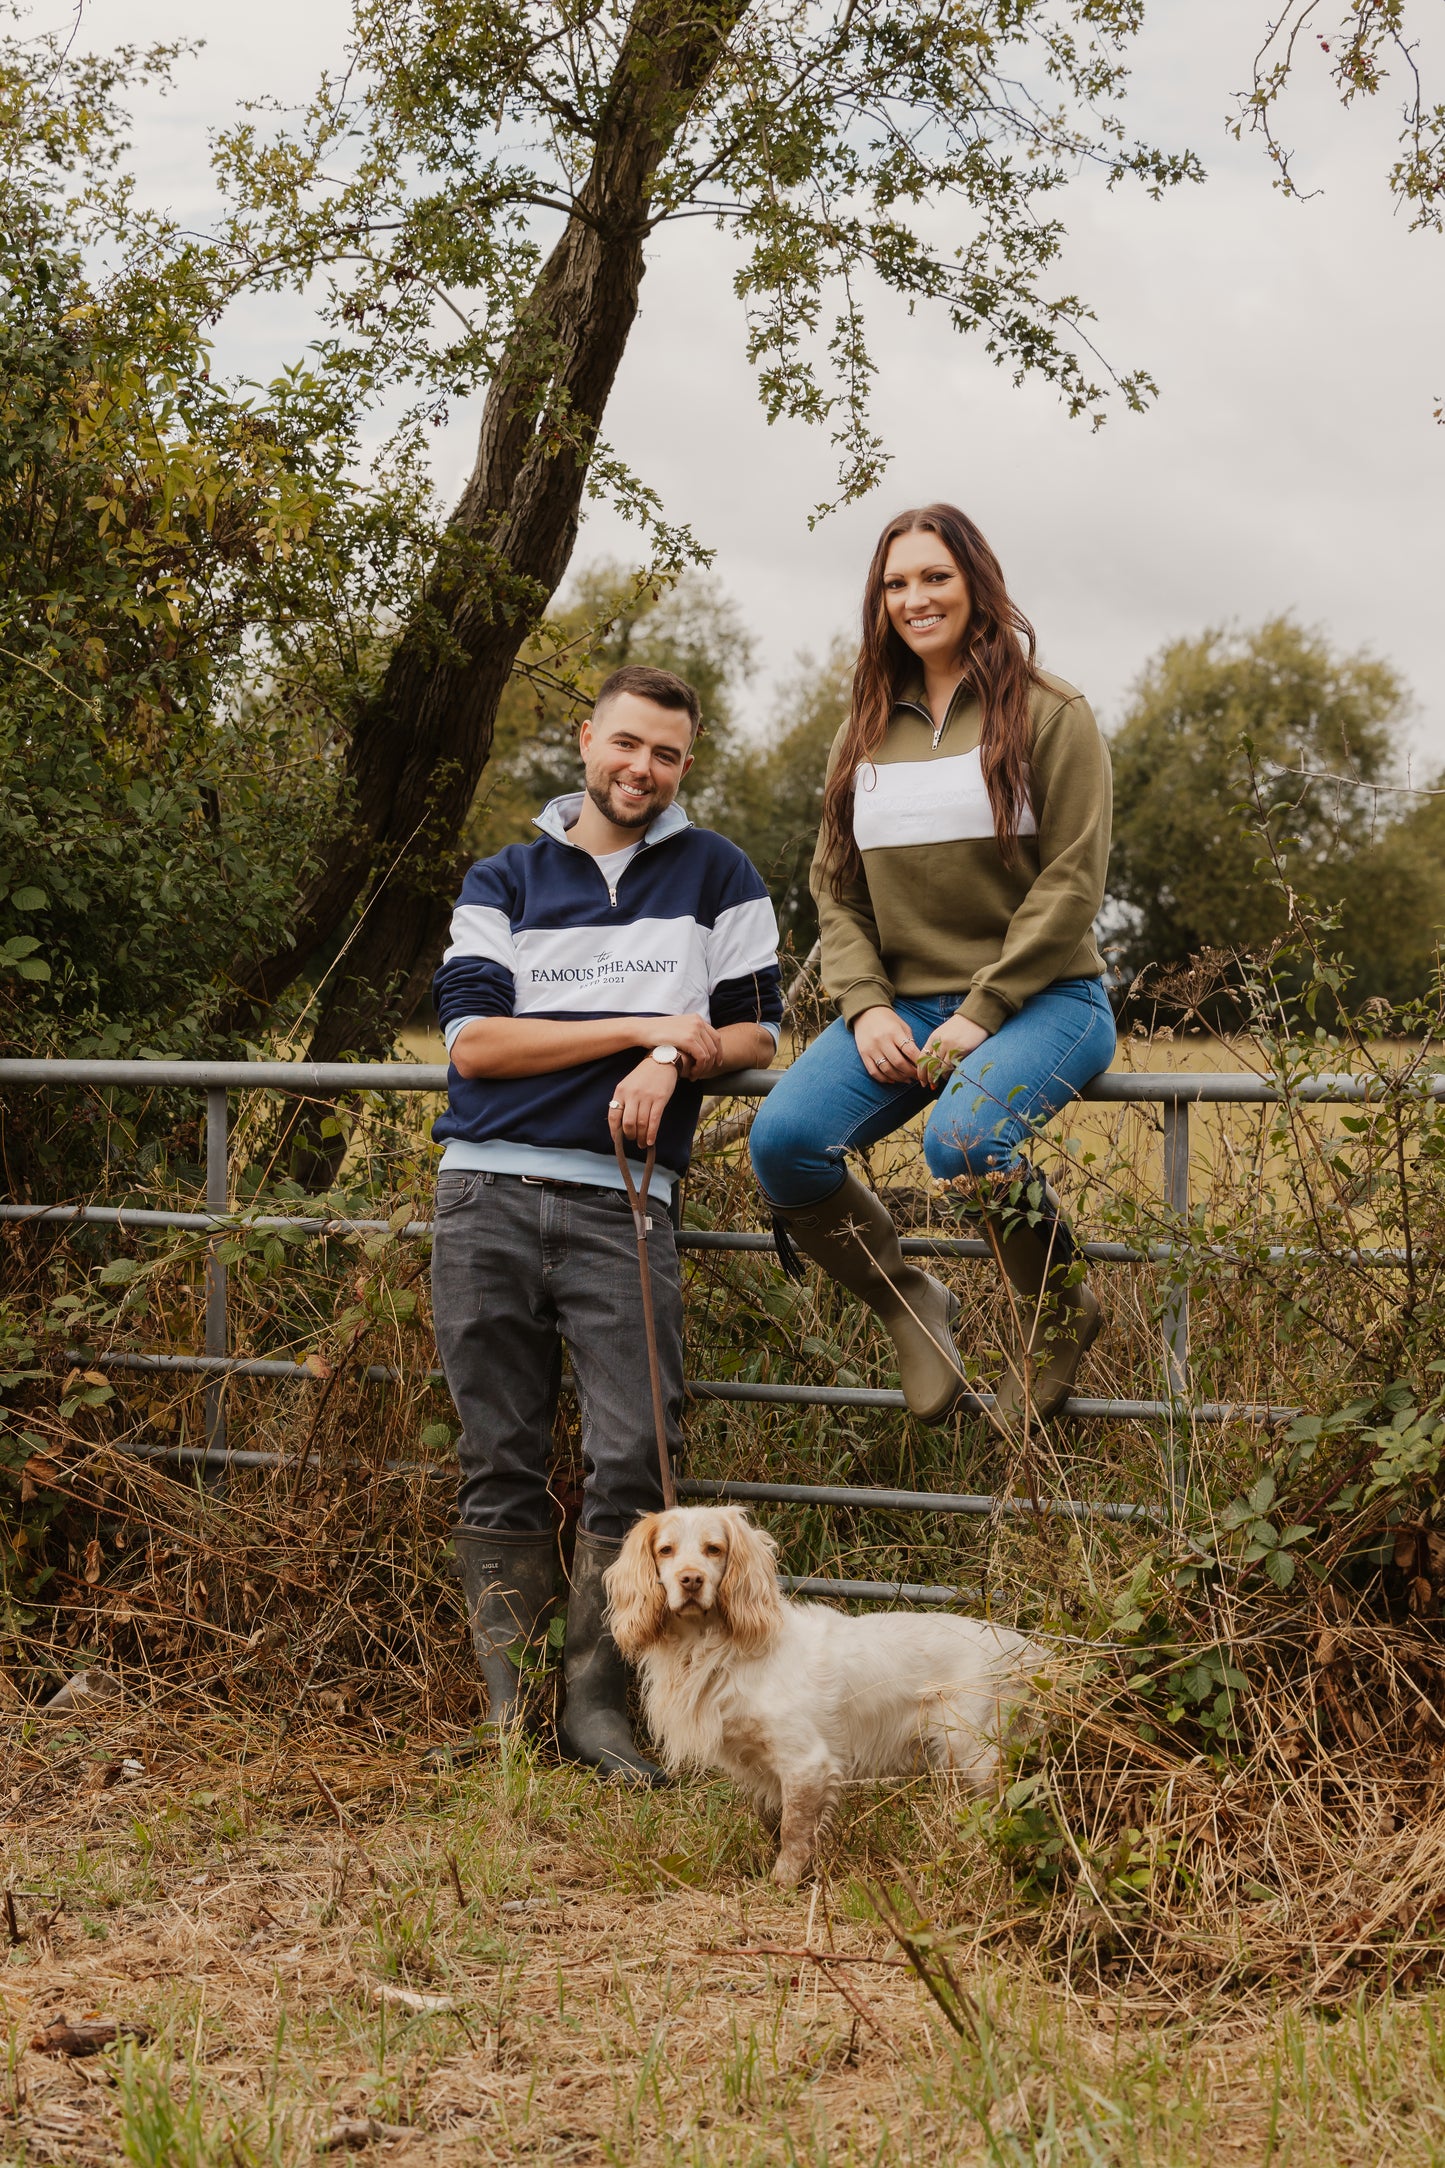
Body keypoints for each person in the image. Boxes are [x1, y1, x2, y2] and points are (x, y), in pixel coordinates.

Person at [429, 663, 781, 1781]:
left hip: (623, 1204)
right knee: (500, 1455)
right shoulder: (505, 875)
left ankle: (593, 1709)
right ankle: (506, 1714)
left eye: (666, 754)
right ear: (586, 739)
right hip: (483, 1189)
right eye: (625, 744)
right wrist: (640, 1022)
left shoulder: (720, 873)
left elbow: (756, 1033)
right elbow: (475, 1043)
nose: (642, 769)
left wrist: (678, 1051)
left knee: (635, 1453)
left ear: (685, 763)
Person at [748, 505, 1115, 1434]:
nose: (915, 599)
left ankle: (1057, 1309)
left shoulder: (1051, 713)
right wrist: (865, 1006)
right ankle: (910, 1305)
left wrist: (983, 1011)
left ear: (976, 585)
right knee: (782, 1140)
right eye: (895, 583)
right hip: (903, 1007)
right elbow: (835, 891)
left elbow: (1072, 882)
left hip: (1046, 999)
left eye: (934, 578)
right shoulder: (861, 731)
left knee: (961, 1141)